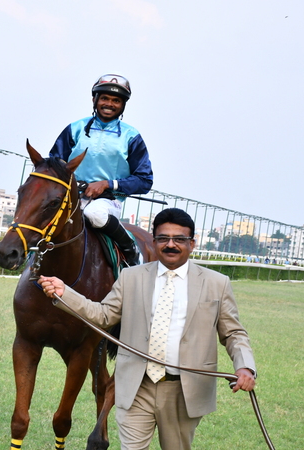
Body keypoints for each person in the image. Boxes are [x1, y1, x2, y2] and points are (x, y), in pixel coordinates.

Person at [39, 208, 256, 450]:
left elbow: (233, 333)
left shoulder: (217, 283)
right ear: (154, 242)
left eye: (179, 239)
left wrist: (245, 366)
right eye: (163, 238)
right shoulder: (130, 277)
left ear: (192, 243)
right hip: (136, 387)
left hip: (184, 391)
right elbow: (103, 315)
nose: (170, 245)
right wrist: (65, 293)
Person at [49, 74, 153, 264]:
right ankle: (28, 257)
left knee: (94, 214)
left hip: (108, 201)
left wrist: (107, 184)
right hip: (70, 198)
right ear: (94, 99)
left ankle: (130, 250)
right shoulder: (75, 128)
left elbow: (144, 180)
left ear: (123, 105)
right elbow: (54, 165)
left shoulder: (131, 136)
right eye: (104, 98)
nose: (109, 104)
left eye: (116, 100)